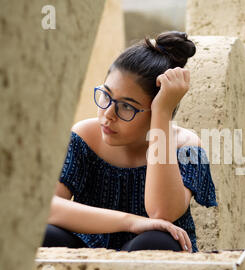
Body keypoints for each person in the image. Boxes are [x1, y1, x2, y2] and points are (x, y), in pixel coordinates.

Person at [42, 31, 218, 253]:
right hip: (89, 251)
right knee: (43, 233)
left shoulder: (186, 147)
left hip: (150, 260)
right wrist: (131, 221)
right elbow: (47, 208)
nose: (108, 114)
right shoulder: (85, 137)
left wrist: (162, 114)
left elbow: (161, 213)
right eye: (106, 96)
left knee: (157, 241)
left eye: (127, 106)